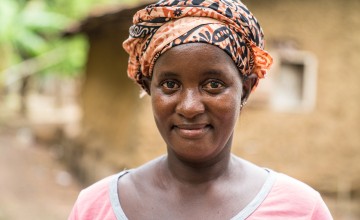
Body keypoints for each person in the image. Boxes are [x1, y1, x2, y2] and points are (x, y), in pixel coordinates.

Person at [69, 0, 333, 219]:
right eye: (170, 84)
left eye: (214, 84)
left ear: (246, 88)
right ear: (149, 89)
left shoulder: (301, 210)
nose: (190, 107)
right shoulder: (95, 207)